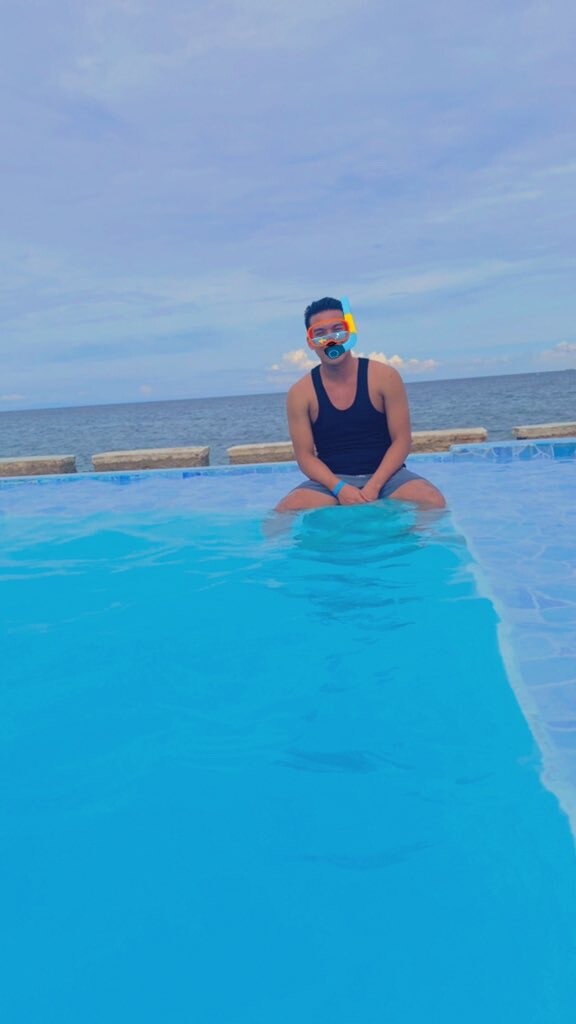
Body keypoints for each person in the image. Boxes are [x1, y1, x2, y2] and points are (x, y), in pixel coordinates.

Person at [276, 296, 446, 512]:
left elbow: (402, 440)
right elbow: (305, 456)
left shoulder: (385, 377)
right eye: (320, 334)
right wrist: (340, 488)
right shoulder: (300, 393)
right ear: (310, 342)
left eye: (338, 330)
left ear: (350, 332)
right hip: (331, 483)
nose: (330, 340)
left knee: (433, 500)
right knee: (283, 513)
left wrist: (374, 486)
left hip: (387, 477)